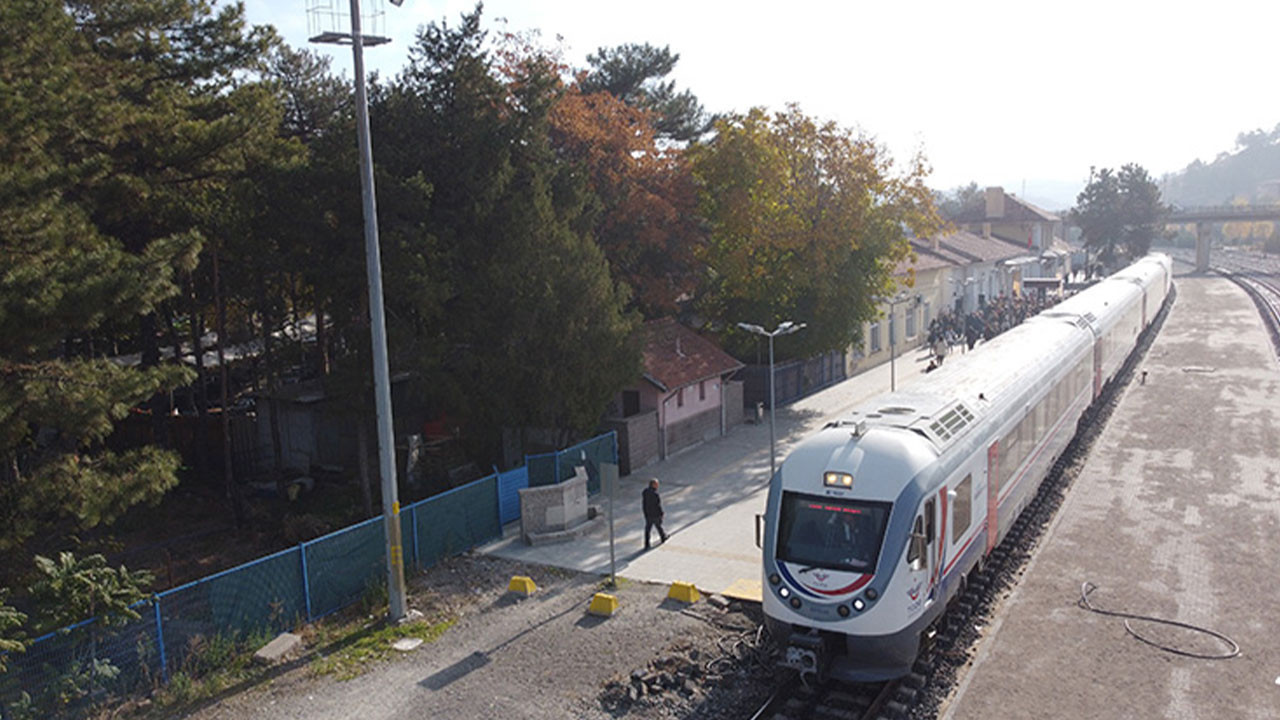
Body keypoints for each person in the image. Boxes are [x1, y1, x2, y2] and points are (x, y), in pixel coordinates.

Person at [642, 479, 668, 549]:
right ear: (653, 485)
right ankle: (663, 537)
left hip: (648, 514)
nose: (657, 486)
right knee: (658, 526)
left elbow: (644, 504)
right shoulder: (655, 494)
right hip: (655, 514)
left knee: (647, 529)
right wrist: (661, 513)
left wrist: (645, 513)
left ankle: (647, 544)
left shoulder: (645, 492)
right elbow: (657, 505)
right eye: (657, 484)